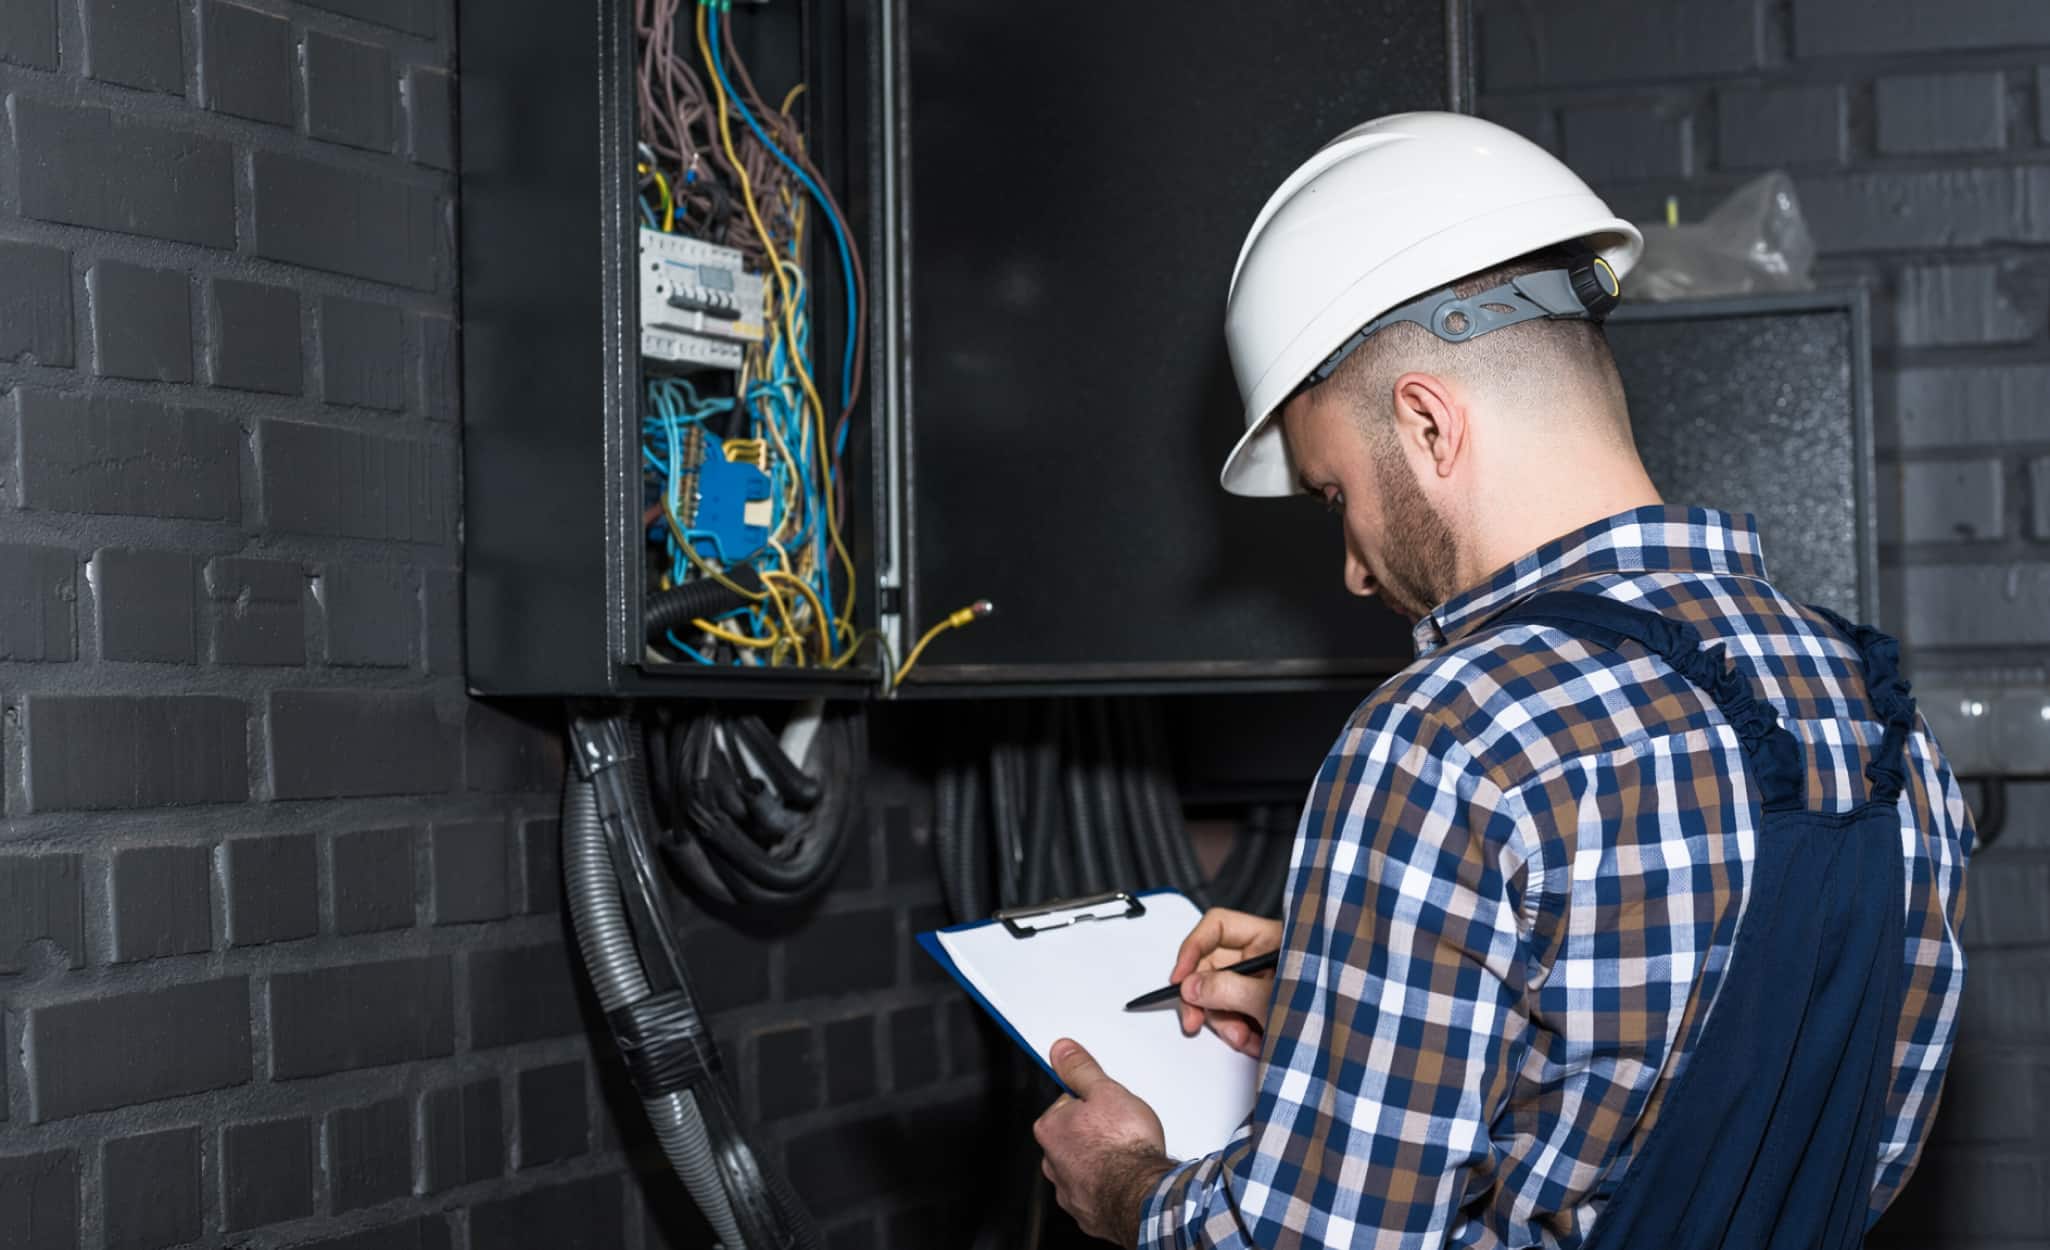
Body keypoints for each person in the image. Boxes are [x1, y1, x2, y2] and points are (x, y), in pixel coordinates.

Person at [1031, 112, 1973, 1249]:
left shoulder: (1449, 735)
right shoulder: (1878, 718)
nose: (1351, 568)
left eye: (1335, 496)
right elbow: (1845, 1148)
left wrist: (1126, 1185)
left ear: (1427, 423)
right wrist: (1358, 1002)